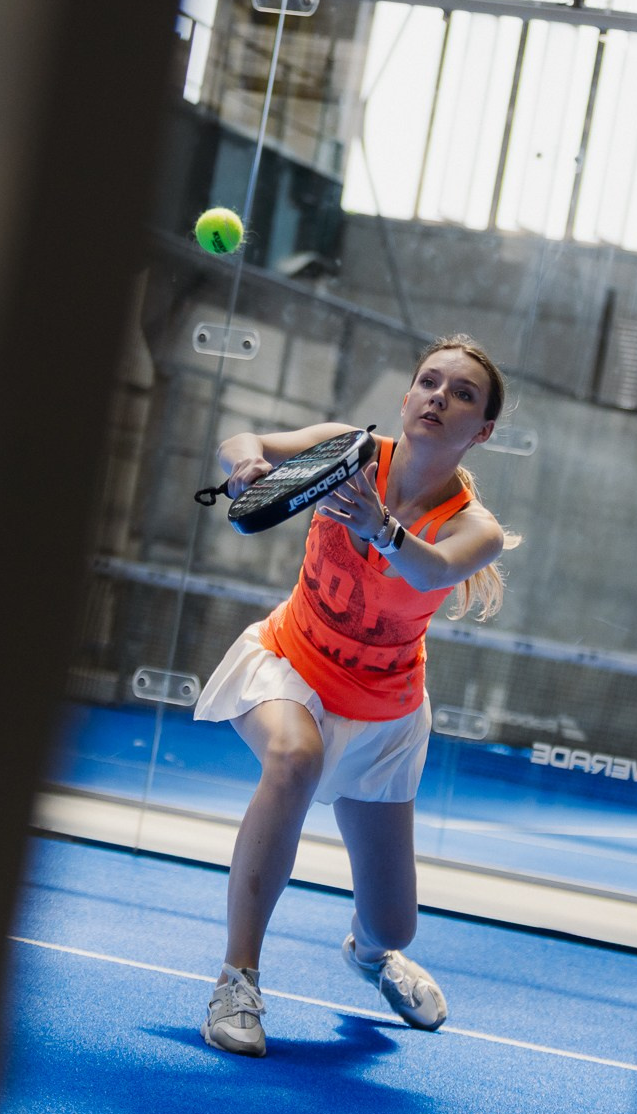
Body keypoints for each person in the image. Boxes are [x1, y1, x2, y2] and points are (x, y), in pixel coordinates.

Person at [193, 335, 519, 1057]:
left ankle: (371, 957)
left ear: (483, 430)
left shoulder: (476, 527)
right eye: (428, 382)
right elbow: (241, 437)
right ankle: (237, 980)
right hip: (290, 661)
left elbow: (433, 570)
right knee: (293, 755)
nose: (439, 396)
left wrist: (380, 526)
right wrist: (246, 462)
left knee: (394, 922)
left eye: (462, 393)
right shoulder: (349, 449)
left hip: (386, 717)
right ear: (405, 399)